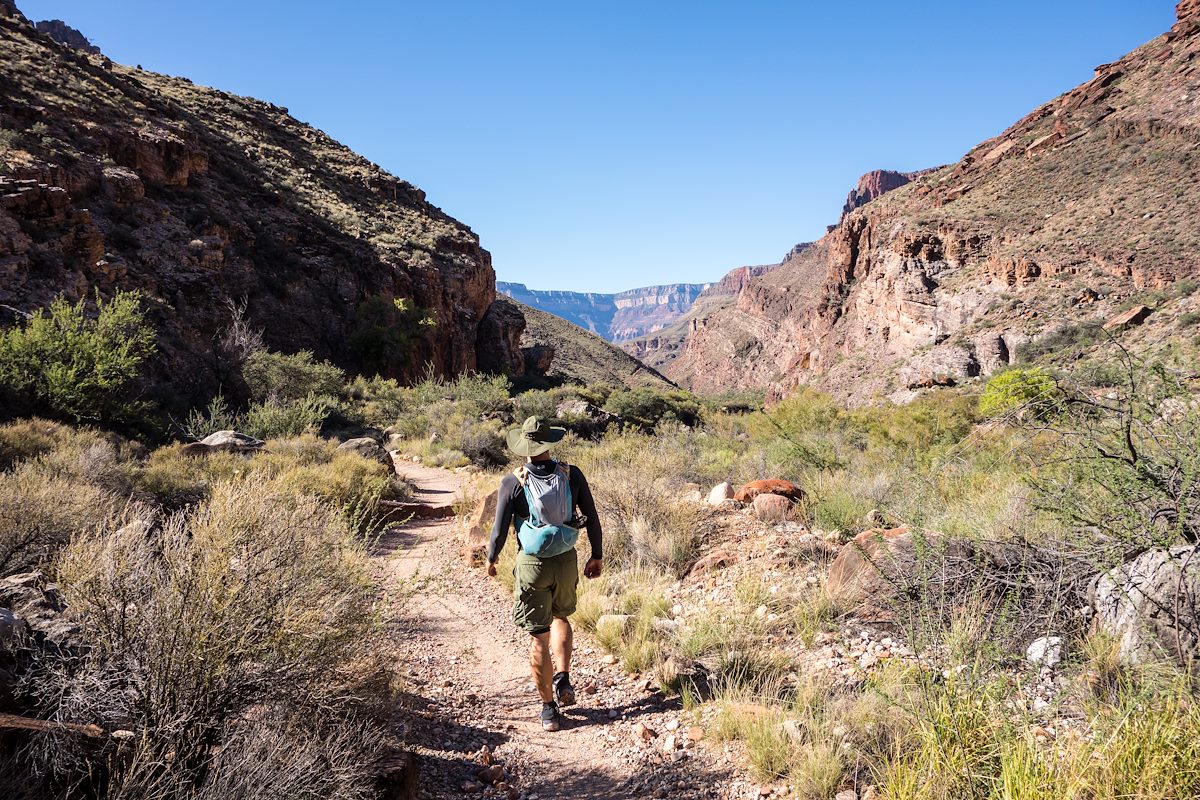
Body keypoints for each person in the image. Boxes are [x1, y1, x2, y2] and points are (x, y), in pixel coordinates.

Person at [486, 416, 603, 732]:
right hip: (565, 558)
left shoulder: (513, 481)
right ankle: (563, 676)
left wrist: (491, 558)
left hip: (532, 563)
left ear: (524, 446)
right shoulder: (571, 474)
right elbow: (591, 518)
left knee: (539, 636)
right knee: (561, 618)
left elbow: (498, 530)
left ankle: (549, 710)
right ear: (550, 443)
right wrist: (597, 555)